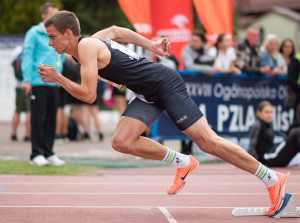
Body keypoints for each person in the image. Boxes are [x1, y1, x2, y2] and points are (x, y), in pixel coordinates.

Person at [39, 10, 288, 216]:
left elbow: (89, 95)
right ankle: (183, 162)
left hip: (165, 84)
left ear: (68, 33)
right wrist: (153, 45)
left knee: (208, 141)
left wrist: (57, 78)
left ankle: (271, 178)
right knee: (121, 141)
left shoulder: (87, 47)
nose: (50, 43)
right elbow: (116, 29)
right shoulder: (90, 43)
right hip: (147, 94)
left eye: (52, 37)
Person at [21, 2, 65, 166]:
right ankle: (36, 154)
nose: (56, 17)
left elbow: (59, 58)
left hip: (55, 83)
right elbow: (27, 55)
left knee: (51, 119)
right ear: (44, 16)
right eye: (53, 14)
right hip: (37, 81)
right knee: (38, 118)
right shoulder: (34, 33)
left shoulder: (58, 35)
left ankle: (49, 152)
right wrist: (26, 79)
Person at [248, 101, 300, 167]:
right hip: (268, 157)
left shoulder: (270, 124)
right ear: (258, 113)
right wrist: (246, 162)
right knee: (296, 133)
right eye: (266, 112)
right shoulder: (257, 125)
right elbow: (252, 146)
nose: (269, 115)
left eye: (271, 112)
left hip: (274, 152)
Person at [10, 46, 31, 142]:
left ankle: (13, 133)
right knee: (29, 111)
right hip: (29, 85)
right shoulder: (31, 49)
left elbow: (12, 64)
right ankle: (27, 134)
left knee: (17, 110)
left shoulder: (17, 49)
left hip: (18, 85)